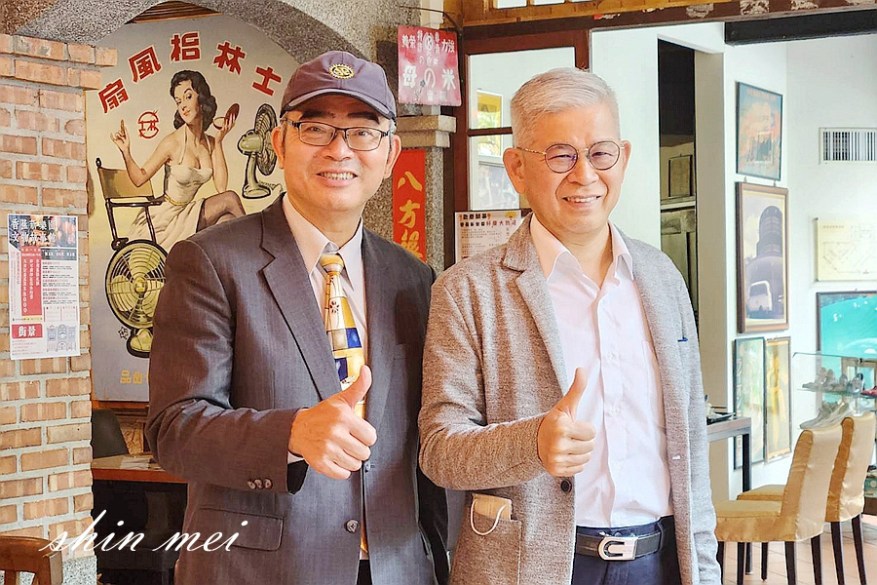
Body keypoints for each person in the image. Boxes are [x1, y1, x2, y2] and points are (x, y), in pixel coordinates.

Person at [145, 51, 448, 585]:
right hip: (260, 570)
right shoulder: (211, 261)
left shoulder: (414, 278)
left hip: (395, 568)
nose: (339, 149)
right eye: (315, 128)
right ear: (280, 143)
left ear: (390, 154)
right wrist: (290, 433)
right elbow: (174, 428)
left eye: (362, 131)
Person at [418, 68, 720, 585]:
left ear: (623, 157)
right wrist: (532, 444)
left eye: (601, 153)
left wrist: (704, 568)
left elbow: (691, 442)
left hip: (661, 563)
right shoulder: (468, 290)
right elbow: (440, 450)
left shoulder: (662, 278)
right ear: (517, 168)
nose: (585, 175)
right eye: (560, 156)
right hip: (529, 568)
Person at [110, 69, 246, 251]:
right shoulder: (172, 143)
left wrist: (220, 142)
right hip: (166, 220)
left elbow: (221, 187)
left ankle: (242, 259)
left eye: (188, 97)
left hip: (187, 215)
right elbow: (139, 178)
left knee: (227, 220)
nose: (183, 106)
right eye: (178, 101)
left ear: (201, 99)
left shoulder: (210, 143)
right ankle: (254, 250)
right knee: (231, 198)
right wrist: (126, 152)